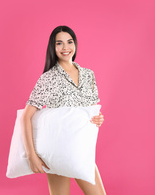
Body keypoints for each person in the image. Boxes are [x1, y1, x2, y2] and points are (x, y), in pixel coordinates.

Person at [20, 25, 106, 195]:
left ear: (75, 44)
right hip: (56, 149)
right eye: (59, 43)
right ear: (53, 47)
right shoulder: (48, 78)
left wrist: (98, 119)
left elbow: (91, 111)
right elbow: (26, 117)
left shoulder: (89, 75)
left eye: (69, 42)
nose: (65, 48)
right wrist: (31, 156)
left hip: (81, 149)